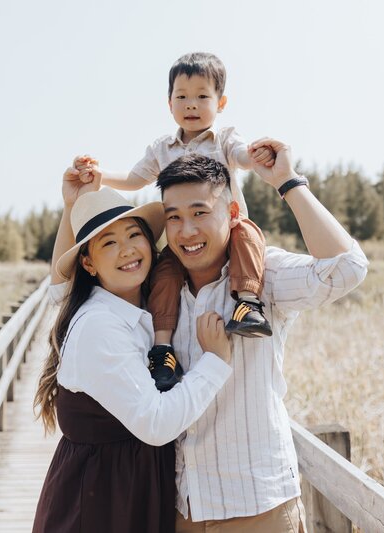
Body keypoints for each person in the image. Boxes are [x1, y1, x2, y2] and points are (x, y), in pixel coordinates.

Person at [156, 145, 369, 532]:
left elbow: (348, 268)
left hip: (258, 506)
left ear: (233, 213)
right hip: (185, 507)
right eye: (174, 218)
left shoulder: (264, 275)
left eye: (200, 213)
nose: (187, 231)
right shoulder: (161, 294)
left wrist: (288, 183)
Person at [31, 165, 234, 533]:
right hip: (100, 503)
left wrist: (72, 205)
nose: (127, 250)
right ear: (88, 263)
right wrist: (216, 362)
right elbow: (155, 423)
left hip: (129, 492)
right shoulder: (98, 325)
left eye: (133, 235)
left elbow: (58, 287)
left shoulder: (147, 302)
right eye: (109, 243)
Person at [75, 52, 277, 392]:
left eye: (202, 96)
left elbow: (242, 157)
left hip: (227, 231)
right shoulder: (162, 147)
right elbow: (135, 178)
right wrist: (101, 176)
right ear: (169, 104)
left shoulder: (225, 139)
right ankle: (163, 347)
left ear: (221, 102)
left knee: (248, 235)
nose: (191, 104)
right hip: (183, 241)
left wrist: (256, 156)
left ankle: (247, 304)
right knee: (165, 274)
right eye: (181, 96)